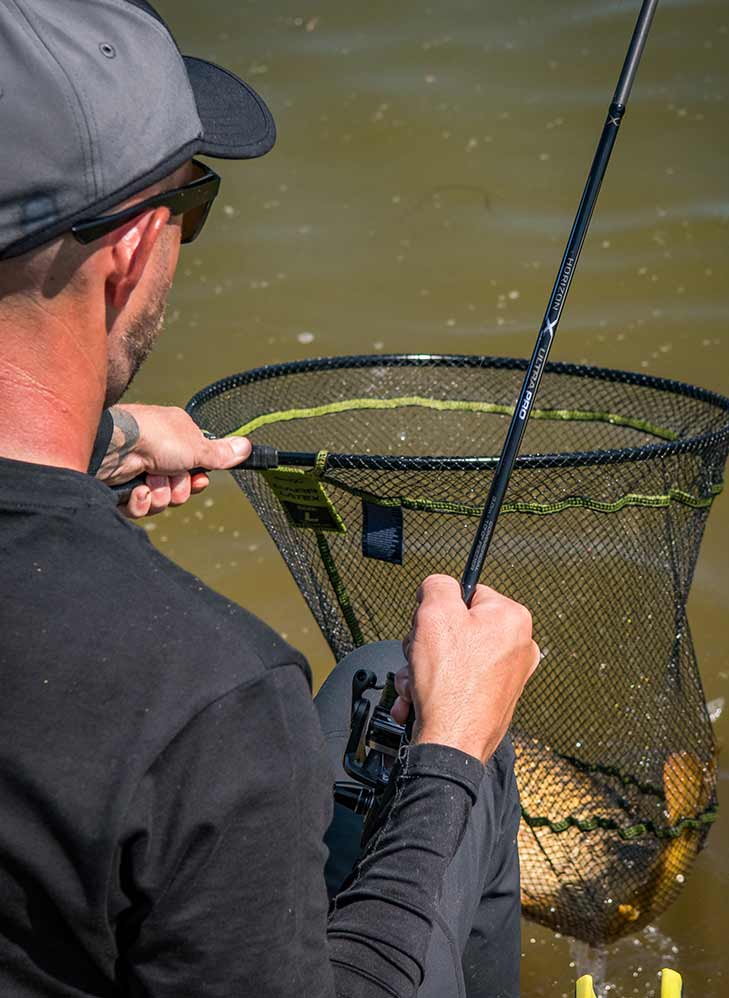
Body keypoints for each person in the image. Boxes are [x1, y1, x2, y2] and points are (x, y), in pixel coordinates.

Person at [0, 2, 539, 996]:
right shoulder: (209, 698)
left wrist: (105, 440)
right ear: (132, 251)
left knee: (378, 669)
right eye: (189, 206)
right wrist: (452, 753)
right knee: (439, 707)